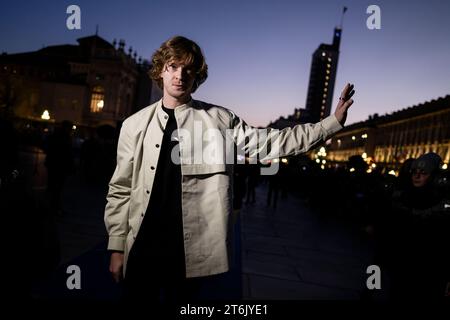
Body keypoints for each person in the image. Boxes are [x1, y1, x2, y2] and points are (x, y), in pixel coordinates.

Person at [104, 35, 355, 301]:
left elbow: (273, 142)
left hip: (189, 253)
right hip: (142, 246)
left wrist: (330, 124)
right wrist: (117, 247)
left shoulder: (220, 120)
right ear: (161, 70)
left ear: (197, 76)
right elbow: (120, 188)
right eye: (173, 66)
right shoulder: (134, 125)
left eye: (189, 69)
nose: (180, 75)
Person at [385, 152, 450, 299]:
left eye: (423, 173)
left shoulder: (442, 202)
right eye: (414, 172)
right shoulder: (403, 196)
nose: (417, 176)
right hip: (403, 268)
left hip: (430, 271)